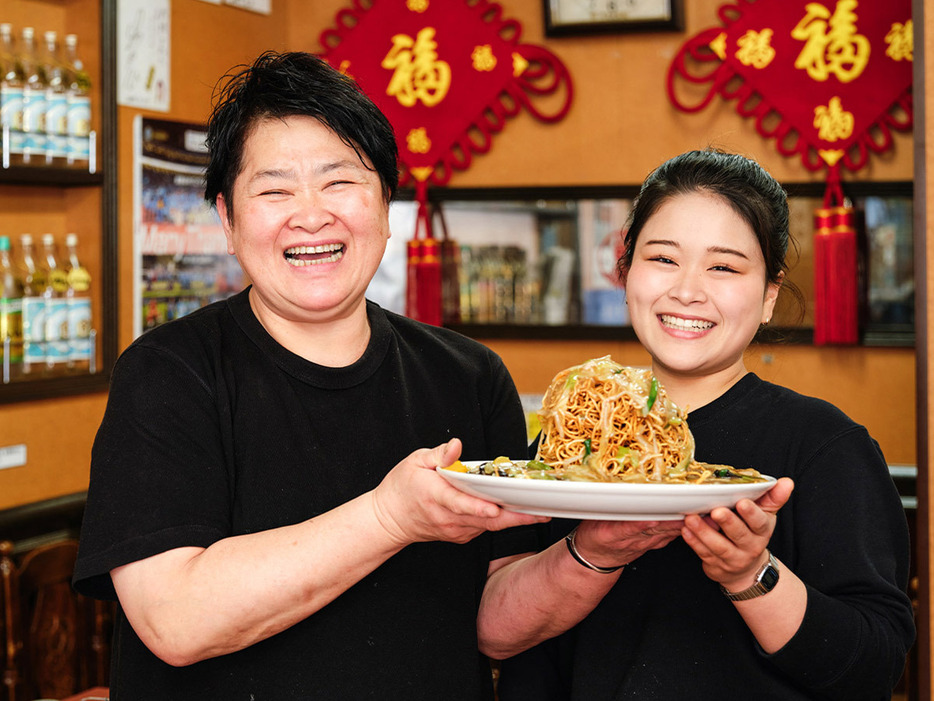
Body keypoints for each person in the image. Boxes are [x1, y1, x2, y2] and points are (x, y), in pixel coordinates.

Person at [72, 51, 549, 700]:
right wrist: (391, 516)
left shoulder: (468, 374)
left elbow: (498, 619)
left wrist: (602, 550)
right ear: (228, 221)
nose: (311, 213)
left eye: (339, 181)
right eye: (274, 190)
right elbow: (173, 618)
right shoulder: (168, 372)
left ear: (386, 204)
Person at [488, 149, 915, 700]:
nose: (687, 290)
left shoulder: (825, 446)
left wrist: (750, 574)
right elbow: (495, 635)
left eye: (724, 266)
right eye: (663, 258)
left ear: (767, 296)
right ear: (625, 272)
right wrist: (591, 552)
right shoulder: (571, 436)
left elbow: (874, 667)